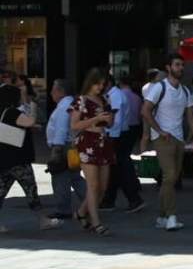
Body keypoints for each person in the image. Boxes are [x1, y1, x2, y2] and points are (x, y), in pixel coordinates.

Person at [142, 54, 193, 231]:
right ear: (168, 67)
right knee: (169, 175)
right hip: (162, 138)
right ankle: (171, 216)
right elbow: (145, 111)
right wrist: (159, 131)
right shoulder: (159, 88)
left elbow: (190, 116)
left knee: (172, 178)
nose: (181, 68)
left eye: (182, 65)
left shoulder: (184, 91)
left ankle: (161, 216)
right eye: (177, 65)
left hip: (178, 138)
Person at [0, 84, 61, 232]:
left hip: (4, 159)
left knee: (1, 191)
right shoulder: (12, 112)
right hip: (18, 160)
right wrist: (33, 106)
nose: (22, 97)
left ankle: (43, 220)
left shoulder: (3, 112)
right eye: (20, 95)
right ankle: (43, 220)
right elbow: (30, 121)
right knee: (31, 190)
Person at [69, 68, 116, 236]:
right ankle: (96, 222)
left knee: (102, 186)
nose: (100, 87)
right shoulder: (80, 101)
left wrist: (109, 120)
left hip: (103, 142)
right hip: (87, 141)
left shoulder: (104, 99)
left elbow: (110, 123)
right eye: (98, 84)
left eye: (103, 84)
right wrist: (96, 119)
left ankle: (81, 212)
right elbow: (74, 125)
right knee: (93, 184)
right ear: (90, 82)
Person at [100, 74, 144, 213]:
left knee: (121, 167)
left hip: (118, 135)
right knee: (116, 168)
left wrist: (111, 136)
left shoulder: (115, 96)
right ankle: (110, 200)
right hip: (119, 134)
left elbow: (116, 118)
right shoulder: (114, 95)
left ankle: (133, 198)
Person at [45, 79, 87, 222]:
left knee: (60, 177)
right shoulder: (69, 104)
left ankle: (63, 208)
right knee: (74, 176)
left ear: (61, 91)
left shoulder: (64, 106)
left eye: (53, 90)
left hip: (63, 146)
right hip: (70, 144)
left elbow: (61, 128)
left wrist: (57, 149)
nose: (51, 93)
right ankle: (91, 201)